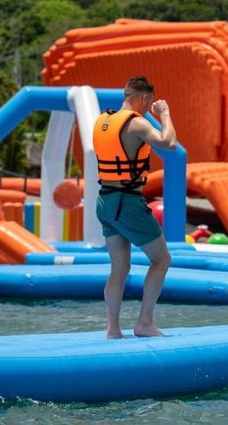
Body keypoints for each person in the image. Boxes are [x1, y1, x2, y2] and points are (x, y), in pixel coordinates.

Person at [92, 76, 176, 339]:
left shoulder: (102, 120)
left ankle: (112, 330)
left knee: (119, 267)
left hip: (105, 201)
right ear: (145, 99)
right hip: (127, 202)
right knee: (161, 259)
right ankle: (145, 323)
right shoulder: (137, 123)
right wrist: (165, 114)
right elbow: (169, 143)